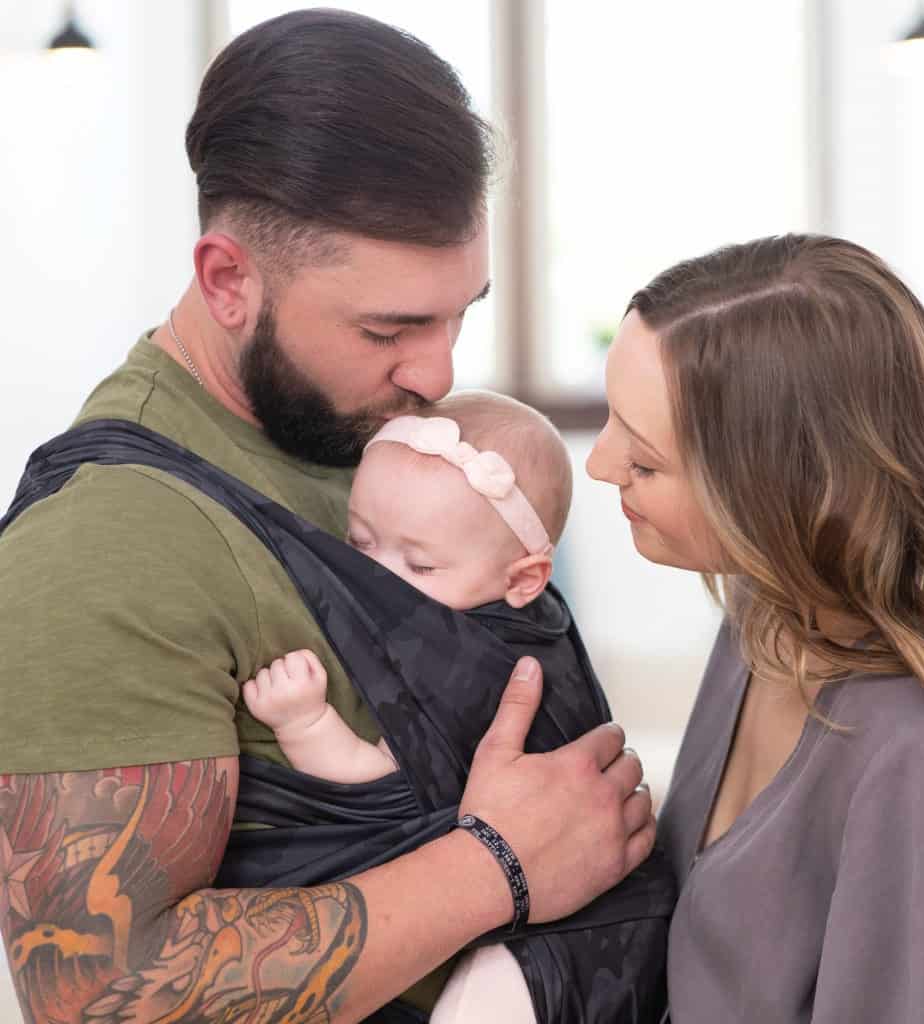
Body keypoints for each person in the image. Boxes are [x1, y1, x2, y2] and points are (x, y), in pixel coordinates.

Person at [0, 11, 654, 1024]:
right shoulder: (107, 543)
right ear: (228, 280)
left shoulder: (384, 437)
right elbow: (102, 994)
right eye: (388, 327)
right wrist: (500, 863)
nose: (436, 373)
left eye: (460, 313)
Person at [586, 233, 924, 1022]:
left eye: (646, 460)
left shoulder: (919, 758)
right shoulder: (763, 618)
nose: (600, 466)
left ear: (776, 490)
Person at [242, 391, 571, 1024]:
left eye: (419, 564)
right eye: (360, 545)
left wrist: (305, 720)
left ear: (524, 580)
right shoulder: (499, 609)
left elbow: (386, 784)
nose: (381, 579)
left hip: (523, 952)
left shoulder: (474, 666)